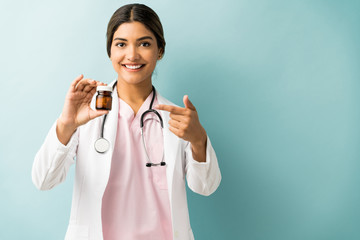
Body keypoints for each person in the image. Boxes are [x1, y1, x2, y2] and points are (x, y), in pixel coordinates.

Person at [32, 3, 221, 240]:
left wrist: (198, 140)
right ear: (110, 51)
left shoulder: (178, 120)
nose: (132, 55)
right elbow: (43, 180)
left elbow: (206, 187)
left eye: (144, 43)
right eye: (121, 44)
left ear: (160, 50)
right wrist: (66, 125)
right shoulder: (85, 114)